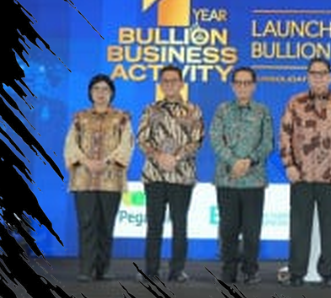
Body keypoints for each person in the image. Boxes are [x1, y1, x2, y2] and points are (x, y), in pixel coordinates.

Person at [279, 57, 331, 287]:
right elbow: (284, 134)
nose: (318, 78)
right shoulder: (295, 102)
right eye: (314, 73)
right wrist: (288, 165)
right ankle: (297, 272)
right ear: (308, 76)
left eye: (323, 73)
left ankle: (327, 271)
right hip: (301, 175)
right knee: (299, 227)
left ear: (330, 76)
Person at [136, 65, 204, 283]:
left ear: (181, 84)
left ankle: (177, 271)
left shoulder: (193, 110)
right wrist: (159, 156)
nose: (170, 84)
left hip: (182, 176)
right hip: (154, 176)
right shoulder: (150, 110)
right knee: (154, 225)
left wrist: (176, 157)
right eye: (165, 81)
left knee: (179, 225)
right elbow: (142, 139)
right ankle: (151, 270)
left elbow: (197, 141)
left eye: (174, 80)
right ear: (160, 84)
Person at [63, 74, 134, 282]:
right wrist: (86, 161)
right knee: (86, 224)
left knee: (106, 225)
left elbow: (127, 145)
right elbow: (70, 145)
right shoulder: (79, 118)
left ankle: (104, 268)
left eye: (105, 89)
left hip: (111, 179)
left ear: (111, 93)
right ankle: (86, 269)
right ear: (90, 93)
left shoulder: (122, 118)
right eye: (96, 89)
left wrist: (106, 161)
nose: (100, 93)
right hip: (83, 179)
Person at [210, 67, 273, 285]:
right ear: (233, 86)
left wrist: (249, 161)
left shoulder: (262, 111)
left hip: (254, 180)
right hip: (227, 179)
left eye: (247, 83)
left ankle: (250, 270)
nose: (243, 87)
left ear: (254, 86)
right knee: (228, 229)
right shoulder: (222, 110)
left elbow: (267, 143)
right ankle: (228, 269)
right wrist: (233, 161)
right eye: (239, 82)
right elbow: (215, 139)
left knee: (251, 230)